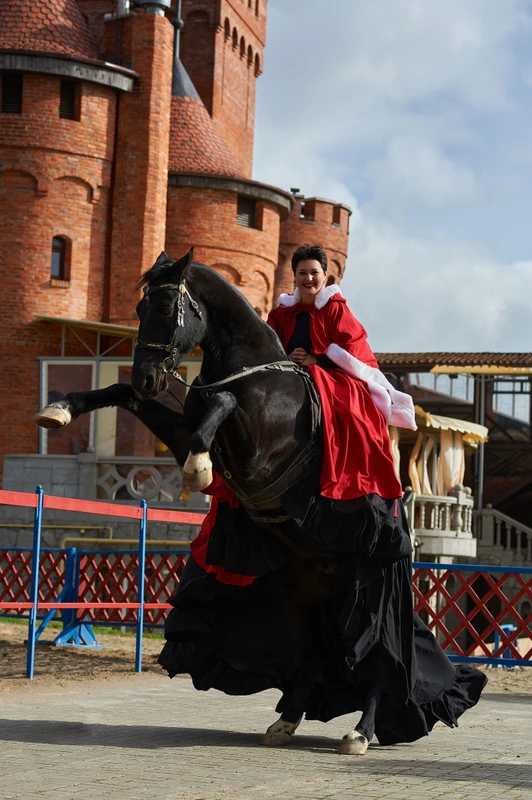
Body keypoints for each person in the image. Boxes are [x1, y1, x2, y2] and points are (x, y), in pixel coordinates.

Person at [267, 243, 416, 503]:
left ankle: (353, 481)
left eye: (314, 272)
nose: (308, 278)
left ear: (325, 276)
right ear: (294, 276)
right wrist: (286, 358)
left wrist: (317, 359)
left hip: (334, 375)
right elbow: (267, 346)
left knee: (351, 413)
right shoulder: (281, 314)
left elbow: (353, 351)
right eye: (302, 273)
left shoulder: (335, 309)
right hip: (287, 373)